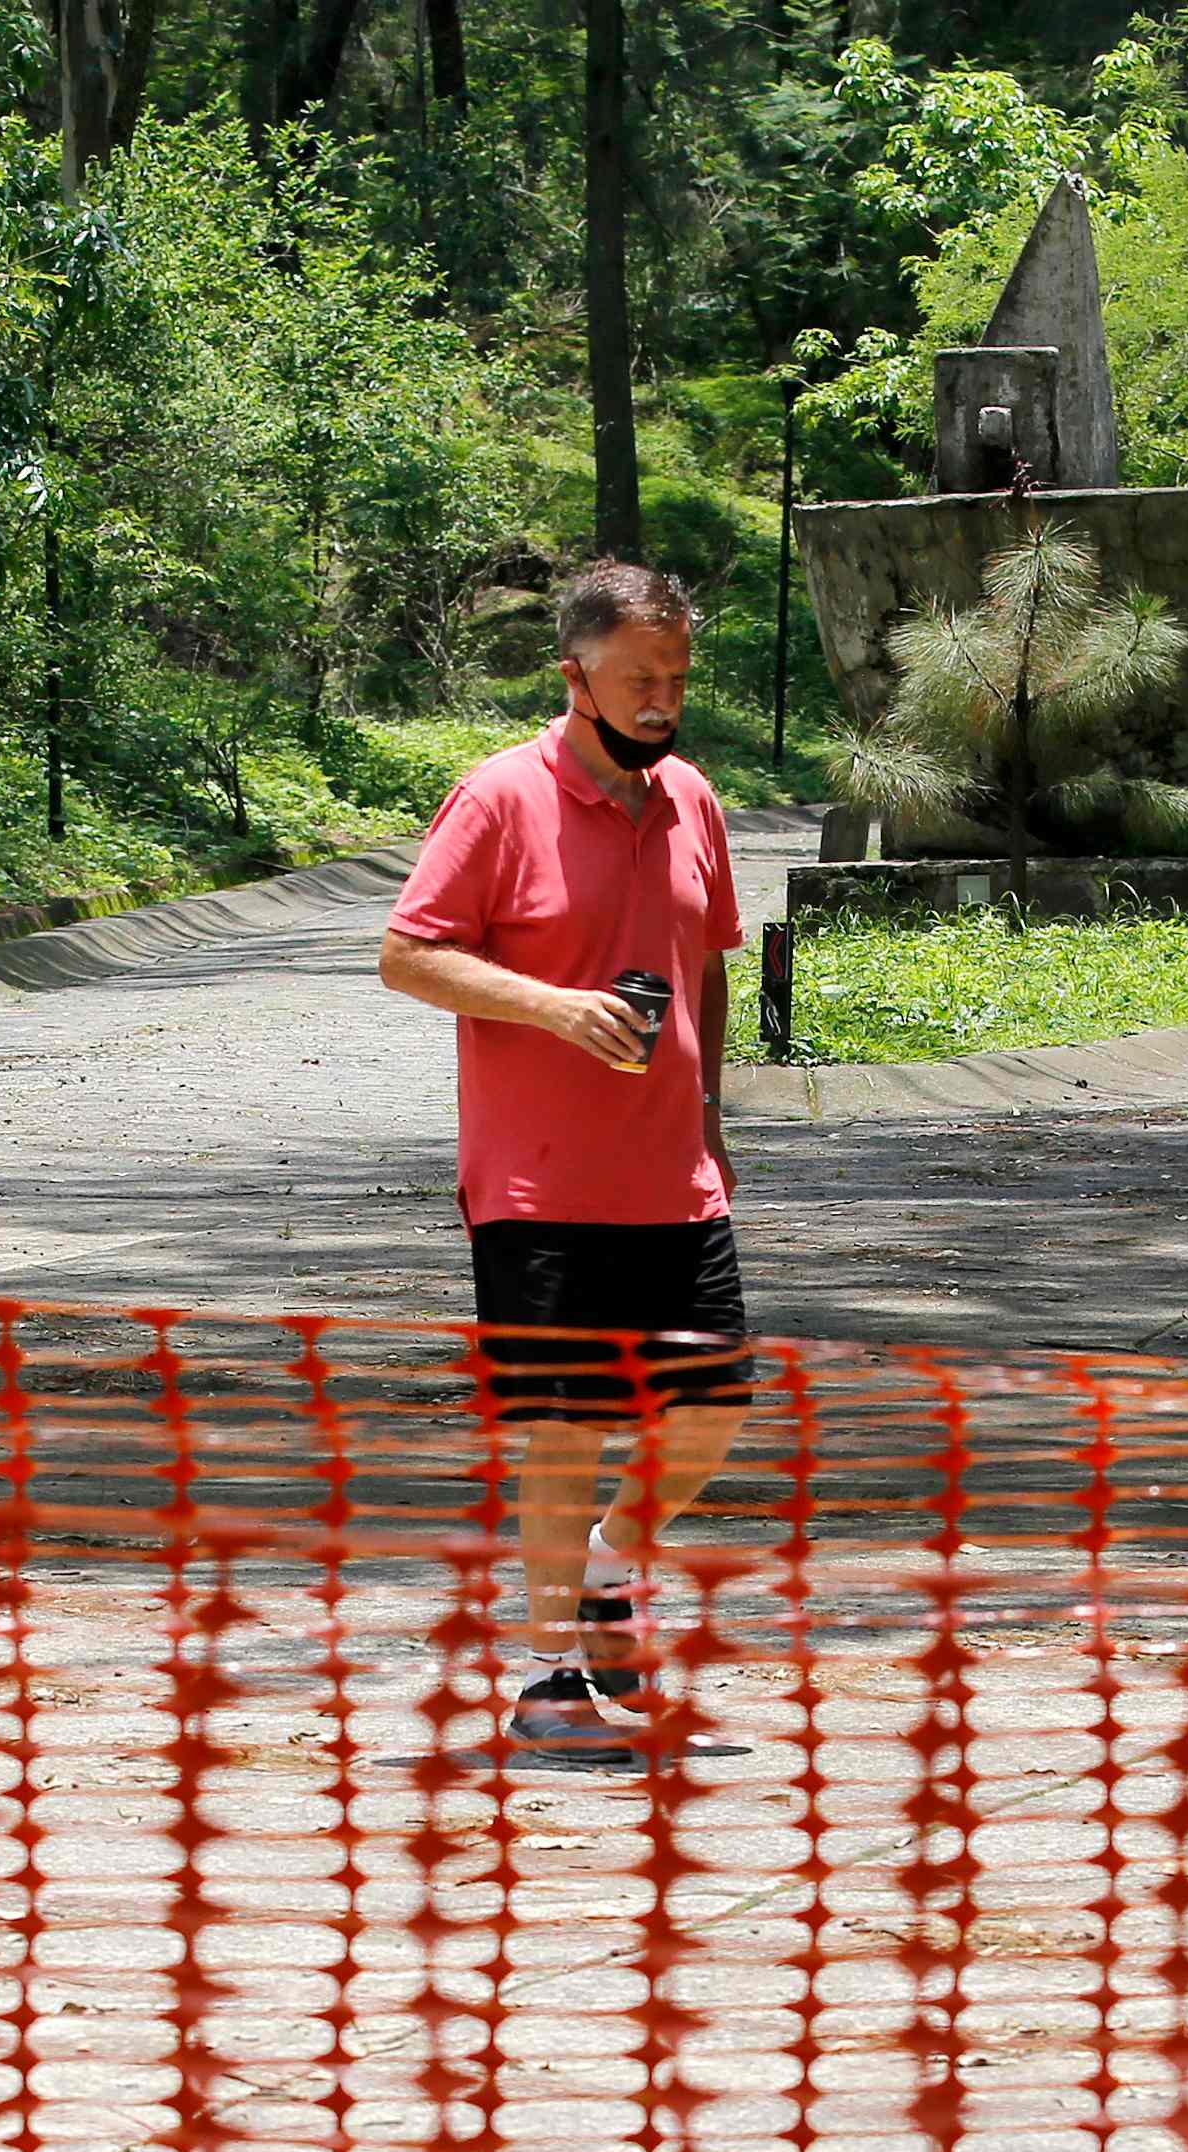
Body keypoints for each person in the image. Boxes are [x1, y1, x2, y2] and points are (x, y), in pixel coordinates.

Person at [376, 561, 753, 1777]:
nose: (662, 699)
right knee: (566, 1430)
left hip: (672, 1176)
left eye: (678, 676)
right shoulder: (495, 799)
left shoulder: (691, 797)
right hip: (539, 1183)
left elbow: (706, 965)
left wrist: (709, 1110)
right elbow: (409, 955)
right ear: (575, 675)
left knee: (714, 1408)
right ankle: (549, 1681)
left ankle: (607, 1570)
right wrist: (551, 1007)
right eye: (641, 677)